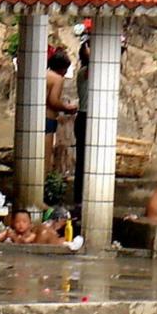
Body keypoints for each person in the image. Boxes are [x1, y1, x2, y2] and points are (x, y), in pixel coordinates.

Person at [46, 50, 78, 174]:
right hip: (48, 119)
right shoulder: (58, 79)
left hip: (36, 118)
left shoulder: (43, 74)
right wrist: (67, 108)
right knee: (45, 157)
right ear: (62, 68)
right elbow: (53, 101)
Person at [74, 39, 90, 204]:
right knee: (83, 161)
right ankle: (79, 198)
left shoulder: (87, 72)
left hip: (86, 118)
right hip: (85, 118)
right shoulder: (85, 71)